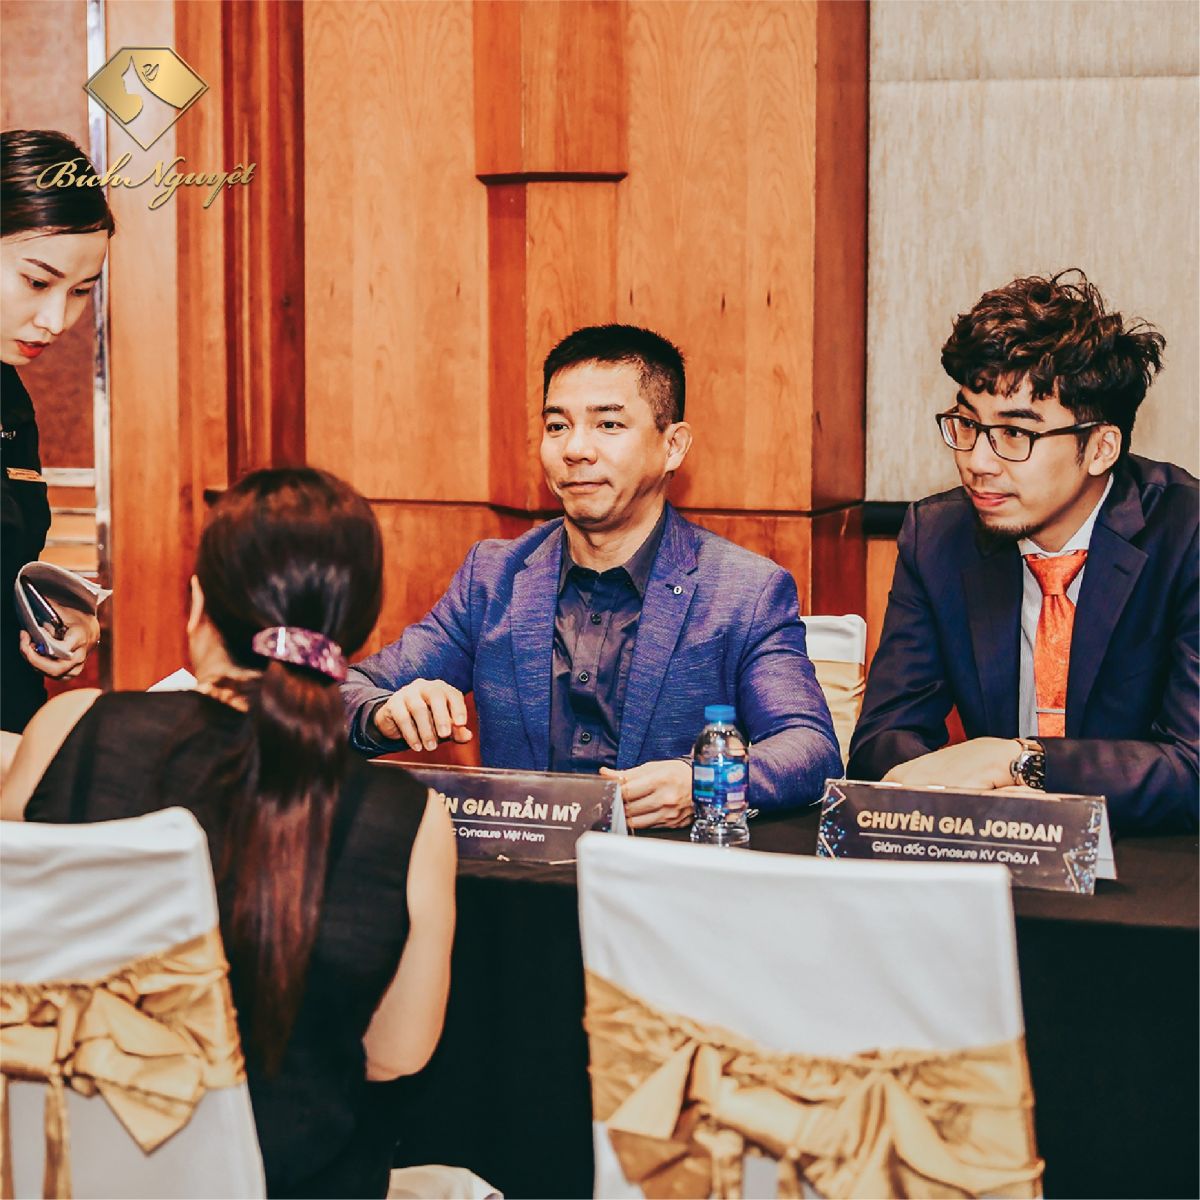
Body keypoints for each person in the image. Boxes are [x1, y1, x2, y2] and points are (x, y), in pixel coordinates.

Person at [4, 467, 457, 1197]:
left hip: (64, 1174)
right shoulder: (407, 821)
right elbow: (395, 1056)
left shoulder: (68, 728)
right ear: (351, 634)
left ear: (197, 605)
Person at [342, 324, 841, 828]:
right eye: (557, 426)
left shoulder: (745, 592)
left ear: (673, 446)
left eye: (608, 424)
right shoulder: (493, 578)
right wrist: (384, 713)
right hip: (515, 868)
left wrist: (703, 782)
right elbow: (342, 691)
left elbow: (811, 747)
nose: (575, 449)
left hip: (660, 871)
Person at [848, 271, 1198, 835]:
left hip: (1152, 863)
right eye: (968, 423)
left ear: (1100, 448)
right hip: (989, 853)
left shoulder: (1185, 534)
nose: (977, 461)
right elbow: (881, 741)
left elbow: (1191, 768)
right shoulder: (937, 537)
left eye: (1015, 434)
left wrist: (1019, 761)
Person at [2, 129, 113, 733]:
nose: (56, 320)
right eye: (38, 282)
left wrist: (67, 617)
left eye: (80, 292)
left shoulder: (9, 396)